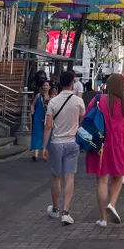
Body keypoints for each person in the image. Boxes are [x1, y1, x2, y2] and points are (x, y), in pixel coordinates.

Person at [85, 72, 124, 227]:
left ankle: (102, 218)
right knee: (118, 177)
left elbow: (86, 117)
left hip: (101, 146)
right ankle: (113, 204)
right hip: (119, 144)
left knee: (102, 181)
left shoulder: (98, 100)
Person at [42, 70, 85, 225]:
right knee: (70, 177)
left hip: (56, 142)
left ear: (60, 83)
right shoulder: (78, 101)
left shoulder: (53, 102)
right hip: (73, 142)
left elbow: (48, 126)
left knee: (56, 177)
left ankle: (55, 209)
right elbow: (82, 120)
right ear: (72, 83)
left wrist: (44, 146)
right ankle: (66, 212)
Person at [30, 81, 51, 161]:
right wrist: (32, 111)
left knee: (46, 134)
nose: (45, 86)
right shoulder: (38, 96)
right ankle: (35, 154)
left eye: (47, 85)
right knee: (37, 134)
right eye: (44, 85)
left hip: (47, 117)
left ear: (49, 87)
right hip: (38, 116)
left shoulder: (51, 97)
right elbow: (33, 104)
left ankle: (44, 153)